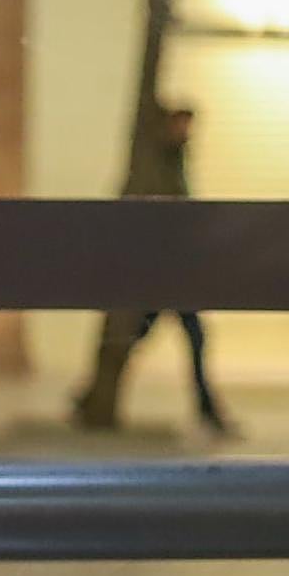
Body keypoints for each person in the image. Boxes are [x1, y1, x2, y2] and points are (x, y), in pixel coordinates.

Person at [72, 105, 236, 436]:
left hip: (170, 272)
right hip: (159, 272)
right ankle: (93, 397)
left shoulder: (175, 160)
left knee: (173, 337)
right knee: (147, 336)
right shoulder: (155, 163)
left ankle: (91, 396)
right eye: (183, 125)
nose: (187, 132)